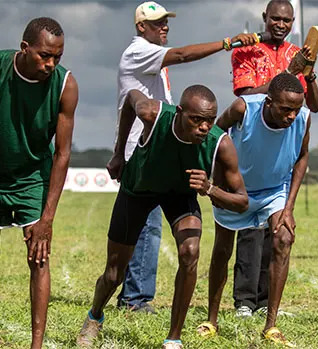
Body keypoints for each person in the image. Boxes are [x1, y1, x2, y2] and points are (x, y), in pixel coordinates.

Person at [113, 1, 259, 315]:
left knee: (160, 229)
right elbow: (182, 55)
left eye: (166, 21)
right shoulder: (139, 51)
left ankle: (135, 296)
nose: (164, 27)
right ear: (141, 27)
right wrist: (228, 43)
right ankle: (134, 299)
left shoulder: (151, 58)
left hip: (164, 149)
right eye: (157, 23)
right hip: (144, 151)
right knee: (147, 229)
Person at [77, 86, 249, 349]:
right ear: (180, 113)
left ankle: (173, 338)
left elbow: (242, 202)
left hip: (179, 195)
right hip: (138, 189)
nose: (204, 127)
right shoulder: (153, 114)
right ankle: (94, 316)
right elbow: (131, 97)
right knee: (114, 273)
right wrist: (119, 152)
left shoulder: (220, 143)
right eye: (196, 119)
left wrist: (210, 189)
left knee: (190, 252)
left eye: (209, 121)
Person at [195, 73, 314, 345]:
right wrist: (217, 183)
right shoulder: (243, 109)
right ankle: (211, 320)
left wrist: (289, 206)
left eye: (295, 110)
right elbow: (215, 134)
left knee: (284, 239)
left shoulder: (303, 119)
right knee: (223, 250)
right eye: (285, 109)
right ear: (268, 102)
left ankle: (270, 325)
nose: (291, 116)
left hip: (274, 191)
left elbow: (303, 156)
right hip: (238, 190)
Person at [0, 17, 77, 349]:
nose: (50, 64)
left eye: (57, 57)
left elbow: (62, 153)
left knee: (39, 256)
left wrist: (47, 219)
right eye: (45, 56)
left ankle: (36, 344)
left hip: (33, 175)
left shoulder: (65, 85)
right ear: (24, 48)